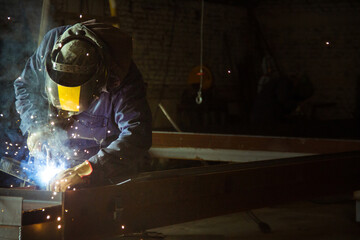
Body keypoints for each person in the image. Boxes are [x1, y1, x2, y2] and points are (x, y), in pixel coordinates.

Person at [13, 20, 152, 191]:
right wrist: (36, 127)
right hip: (61, 162)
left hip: (101, 169)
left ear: (98, 86)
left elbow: (137, 134)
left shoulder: (124, 81)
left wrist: (88, 169)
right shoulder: (51, 46)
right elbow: (26, 87)